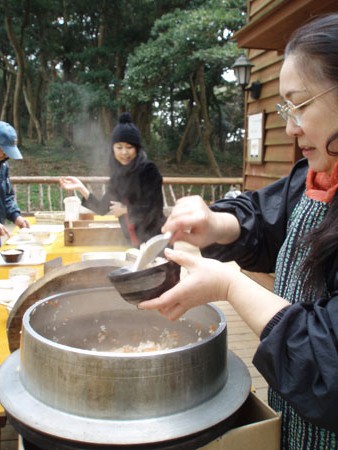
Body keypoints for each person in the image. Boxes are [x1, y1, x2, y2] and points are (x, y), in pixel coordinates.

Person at [139, 14, 338, 450]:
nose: (290, 127)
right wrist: (214, 223)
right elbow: (266, 218)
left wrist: (229, 285)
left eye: (301, 104)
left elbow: (331, 361)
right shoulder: (319, 174)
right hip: (296, 417)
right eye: (285, 109)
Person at [59, 112, 165, 246]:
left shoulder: (148, 170)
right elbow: (101, 208)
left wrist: (126, 209)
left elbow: (155, 207)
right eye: (119, 147)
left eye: (129, 147)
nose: (124, 153)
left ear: (137, 149)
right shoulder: (118, 176)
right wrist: (80, 187)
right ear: (113, 149)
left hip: (155, 240)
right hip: (133, 243)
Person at [0, 121, 30, 239]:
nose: (5, 155)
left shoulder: (3, 166)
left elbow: (6, 196)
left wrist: (16, 217)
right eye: (3, 151)